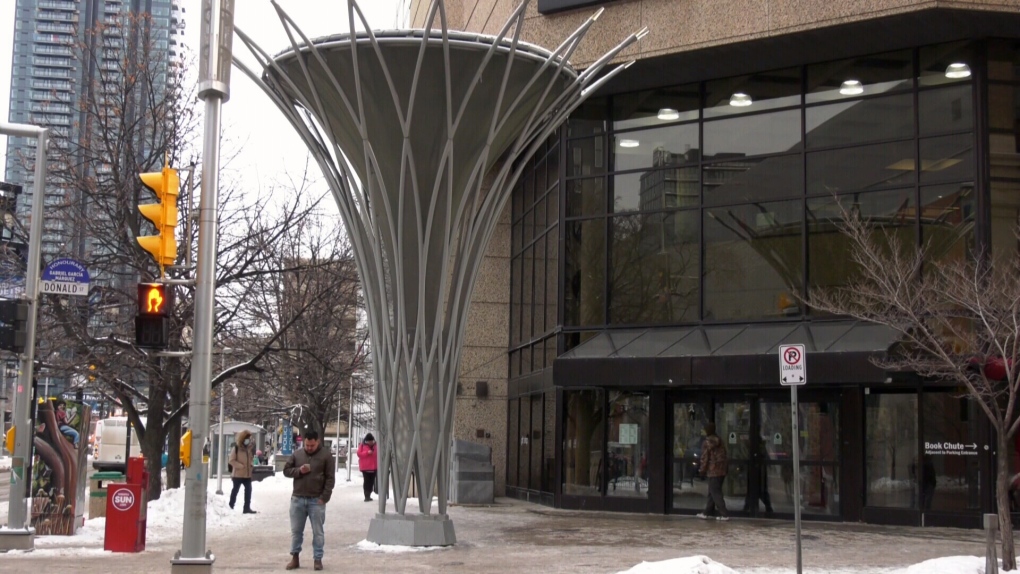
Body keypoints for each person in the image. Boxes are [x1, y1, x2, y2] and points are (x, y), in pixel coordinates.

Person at [283, 429, 335, 571]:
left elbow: (330, 478)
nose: (309, 448)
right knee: (296, 531)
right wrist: (299, 471)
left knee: (318, 532)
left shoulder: (326, 456)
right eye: (307, 445)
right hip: (298, 498)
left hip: (316, 500)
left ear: (317, 442)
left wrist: (324, 497)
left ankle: (317, 559)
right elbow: (286, 470)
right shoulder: (297, 454)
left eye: (312, 445)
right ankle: (295, 558)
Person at [697, 422, 730, 521]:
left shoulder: (706, 443)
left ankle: (724, 514)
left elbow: (704, 458)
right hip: (722, 470)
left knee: (715, 493)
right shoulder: (720, 441)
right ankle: (706, 512)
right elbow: (725, 455)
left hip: (713, 471)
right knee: (712, 492)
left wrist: (702, 470)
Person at [228, 430, 258, 514]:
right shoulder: (236, 448)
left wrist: (251, 464)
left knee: (248, 490)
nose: (248, 440)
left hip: (247, 474)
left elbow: (250, 459)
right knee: (235, 490)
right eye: (247, 438)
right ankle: (230, 506)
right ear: (243, 439)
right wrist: (240, 466)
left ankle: (246, 508)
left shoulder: (249, 448)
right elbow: (231, 460)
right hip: (238, 474)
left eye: (249, 438)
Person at [357, 433, 378, 502]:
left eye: (372, 441)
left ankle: (369, 493)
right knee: (366, 481)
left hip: (374, 467)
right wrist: (367, 453)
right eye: (369, 441)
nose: (371, 442)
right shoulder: (362, 446)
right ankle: (366, 495)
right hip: (365, 467)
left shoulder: (376, 446)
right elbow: (359, 454)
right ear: (366, 441)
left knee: (371, 482)